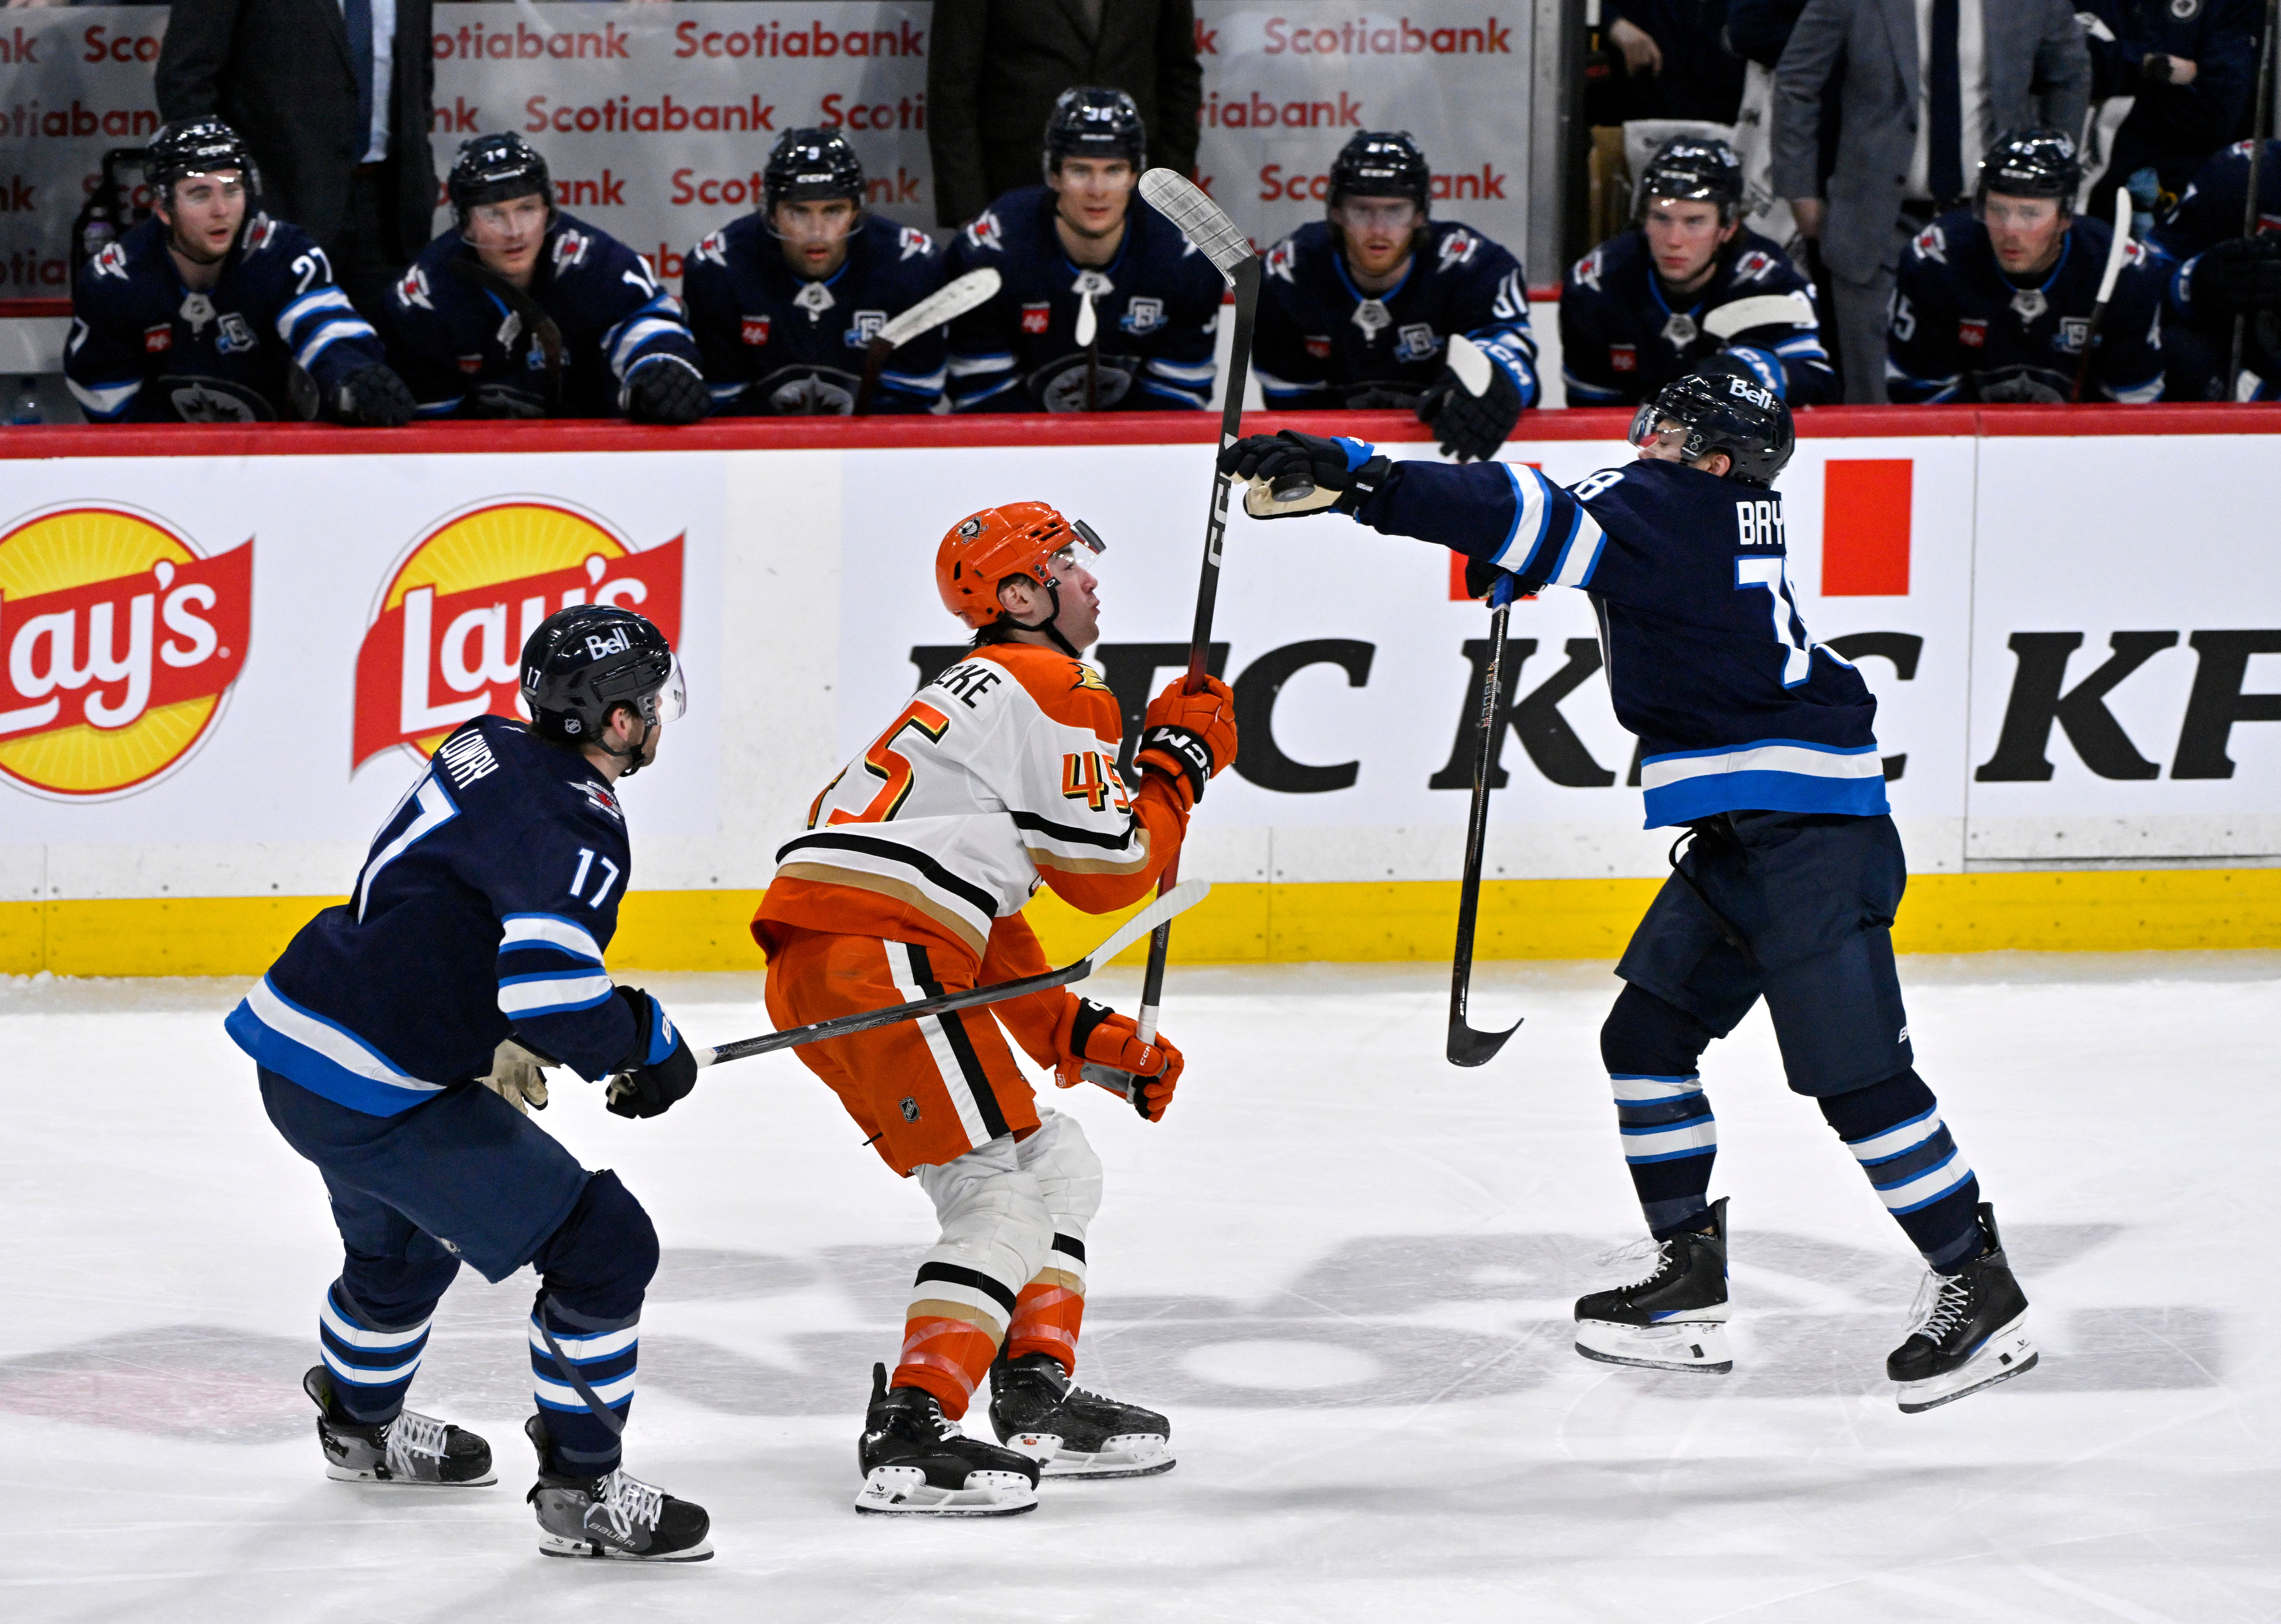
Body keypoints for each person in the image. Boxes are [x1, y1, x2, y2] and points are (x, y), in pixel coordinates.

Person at [1214, 367, 2038, 1416]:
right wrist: (1547, 559)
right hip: (1756, 835)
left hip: (1810, 843)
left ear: (1721, 458)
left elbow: (1530, 508)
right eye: (1658, 424)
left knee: (1855, 1077)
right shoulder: (1698, 509)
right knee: (1644, 1040)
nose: (1654, 440)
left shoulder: (1670, 506)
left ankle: (1977, 1275)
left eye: (1679, 432)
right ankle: (1688, 1271)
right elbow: (1578, 536)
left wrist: (1362, 477)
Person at [751, 501, 1238, 1513]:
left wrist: (1067, 1033)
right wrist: (1177, 768)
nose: (1088, 581)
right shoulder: (1059, 682)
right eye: (1065, 566)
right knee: (996, 1196)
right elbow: (1108, 871)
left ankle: (1031, 1395)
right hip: (879, 956)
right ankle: (913, 1429)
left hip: (857, 952)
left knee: (1050, 1162)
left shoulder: (978, 696)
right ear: (1019, 597)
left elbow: (982, 906)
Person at [220, 605, 712, 1560]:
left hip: (298, 1042)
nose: (657, 719)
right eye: (650, 703)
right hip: (379, 1087)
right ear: (617, 721)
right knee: (605, 1246)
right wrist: (646, 1043)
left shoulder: (483, 742)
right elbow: (555, 994)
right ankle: (584, 1491)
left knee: (402, 1260)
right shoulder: (581, 820)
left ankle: (359, 1428)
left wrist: (482, 1030)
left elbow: (437, 892)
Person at [1771, 0, 2091, 401]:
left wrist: (2050, 176)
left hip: (1988, 230)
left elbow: (2070, 74)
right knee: (1875, 406)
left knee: (1987, 397)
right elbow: (1797, 81)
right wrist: (1799, 187)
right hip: (1876, 224)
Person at [65, 117, 412, 426]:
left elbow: (326, 330)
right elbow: (108, 405)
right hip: (163, 471)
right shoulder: (116, 279)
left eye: (232, 190)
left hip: (276, 462)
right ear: (164, 208)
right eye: (200, 195)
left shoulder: (283, 253)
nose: (222, 210)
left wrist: (352, 377)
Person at [1252, 130, 1542, 463]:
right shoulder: (1289, 273)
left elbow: (1512, 353)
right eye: (1362, 210)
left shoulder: (1475, 266)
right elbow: (1292, 413)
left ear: (1421, 215)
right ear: (1336, 213)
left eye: (1395, 211)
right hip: (1337, 464)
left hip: (1445, 456)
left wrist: (1500, 375)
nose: (1378, 230)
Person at [386, 135, 709, 423]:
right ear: (465, 223)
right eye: (493, 215)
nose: (515, 232)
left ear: (548, 209)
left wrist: (661, 364)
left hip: (599, 455)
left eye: (527, 208)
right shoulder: (426, 294)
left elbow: (644, 322)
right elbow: (436, 431)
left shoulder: (594, 261)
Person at [943, 88, 1222, 412]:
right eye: (1080, 170)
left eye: (1114, 170)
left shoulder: (1185, 259)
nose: (1098, 191)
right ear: (1054, 174)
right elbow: (982, 399)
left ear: (1136, 175)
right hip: (1021, 456)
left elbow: (1176, 402)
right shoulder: (989, 254)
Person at [156, 0, 436, 318]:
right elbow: (186, 82)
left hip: (388, 210)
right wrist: (224, 192)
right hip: (277, 204)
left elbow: (419, 70)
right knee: (268, 358)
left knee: (377, 361)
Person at [1886, 129, 2167, 403]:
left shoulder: (2123, 271)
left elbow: (2135, 406)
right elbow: (1919, 394)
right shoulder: (1937, 260)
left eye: (2030, 214)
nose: (2010, 231)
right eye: (1998, 210)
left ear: (2065, 217)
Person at [682, 128, 950, 415]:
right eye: (798, 212)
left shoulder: (911, 267)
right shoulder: (720, 269)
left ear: (856, 212)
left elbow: (909, 410)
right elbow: (724, 409)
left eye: (833, 211)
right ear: (772, 215)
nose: (817, 233)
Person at [1561, 135, 1837, 408]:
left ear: (1728, 228)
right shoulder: (1598, 284)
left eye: (1694, 221)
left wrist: (1749, 371)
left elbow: (1818, 384)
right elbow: (1588, 419)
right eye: (1661, 218)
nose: (1674, 240)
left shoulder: (1769, 281)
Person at [928, 0, 1202, 229]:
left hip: (1134, 199)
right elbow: (952, 90)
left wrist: (1169, 193)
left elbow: (1178, 76)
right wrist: (970, 213)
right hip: (1015, 193)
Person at [2078, 0, 2258, 225]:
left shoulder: (2225, 8)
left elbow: (2215, 112)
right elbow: (2048, 63)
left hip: (2168, 195)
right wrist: (2146, 66)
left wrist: (2111, 78)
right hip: (2070, 182)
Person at [2151, 137, 2281, 399]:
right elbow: (2147, 278)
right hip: (2251, 359)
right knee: (2178, 349)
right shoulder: (2243, 172)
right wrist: (2193, 281)